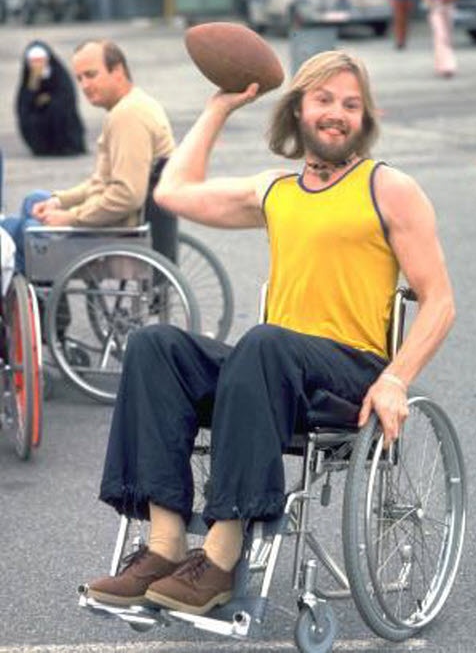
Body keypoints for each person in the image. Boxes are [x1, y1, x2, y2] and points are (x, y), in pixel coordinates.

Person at [84, 50, 455, 616]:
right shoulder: (275, 190)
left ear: (365, 118)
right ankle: (163, 548)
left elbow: (440, 301)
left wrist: (397, 379)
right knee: (154, 344)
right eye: (325, 100)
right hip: (270, 372)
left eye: (351, 105)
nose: (337, 113)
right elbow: (171, 191)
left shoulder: (390, 188)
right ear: (298, 110)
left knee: (264, 341)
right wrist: (219, 105)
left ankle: (221, 559)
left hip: (347, 374)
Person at [1, 39, 175, 272]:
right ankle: (50, 298)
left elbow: (127, 195)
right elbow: (101, 182)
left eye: (91, 75)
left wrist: (71, 217)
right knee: (36, 200)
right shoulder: (133, 105)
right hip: (113, 219)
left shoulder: (128, 116)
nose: (84, 85)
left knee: (15, 231)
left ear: (118, 71)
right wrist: (60, 200)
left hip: (115, 232)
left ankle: (48, 302)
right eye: (80, 78)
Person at [16, 40, 87, 157]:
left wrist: (49, 99)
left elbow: (67, 97)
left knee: (57, 110)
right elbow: (24, 103)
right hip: (39, 119)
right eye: (33, 61)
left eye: (40, 60)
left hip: (58, 117)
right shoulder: (28, 77)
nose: (37, 64)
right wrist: (33, 82)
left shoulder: (59, 74)